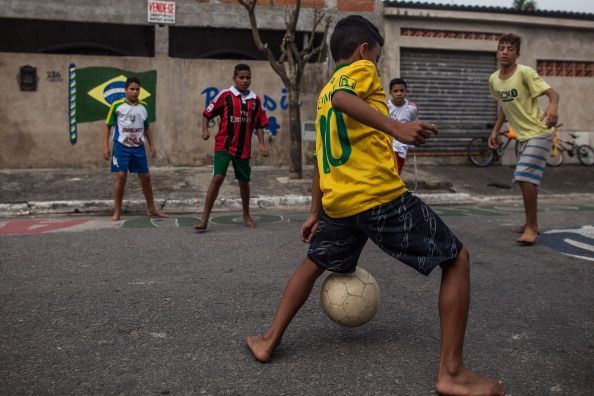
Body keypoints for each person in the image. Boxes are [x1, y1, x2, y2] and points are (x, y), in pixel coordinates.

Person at [245, 15, 504, 396]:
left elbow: (320, 155)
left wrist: (315, 210)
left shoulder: (322, 93)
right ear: (364, 50)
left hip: (341, 203)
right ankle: (451, 372)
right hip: (377, 196)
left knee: (313, 263)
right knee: (456, 259)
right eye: (378, 56)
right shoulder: (356, 72)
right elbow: (343, 98)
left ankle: (268, 340)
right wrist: (396, 127)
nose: (377, 66)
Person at [488, 33, 559, 245]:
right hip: (522, 137)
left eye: (510, 49)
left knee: (523, 177)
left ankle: (531, 227)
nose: (505, 52)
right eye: (502, 48)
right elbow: (504, 106)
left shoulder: (525, 72)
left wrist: (553, 107)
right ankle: (530, 222)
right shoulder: (493, 79)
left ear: (517, 54)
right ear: (498, 51)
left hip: (540, 132)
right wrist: (495, 130)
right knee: (527, 181)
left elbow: (553, 94)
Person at [194, 63, 268, 231]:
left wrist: (262, 143)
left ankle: (246, 214)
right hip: (224, 145)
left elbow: (259, 124)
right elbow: (207, 113)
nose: (245, 80)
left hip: (244, 148)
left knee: (244, 182)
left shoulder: (255, 100)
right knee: (218, 178)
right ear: (234, 79)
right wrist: (205, 130)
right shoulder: (225, 95)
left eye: (248, 77)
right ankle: (204, 218)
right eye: (241, 77)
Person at [102, 76, 167, 221]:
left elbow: (147, 128)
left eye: (137, 89)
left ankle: (152, 209)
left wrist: (151, 145)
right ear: (125, 90)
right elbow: (108, 126)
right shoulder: (117, 106)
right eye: (132, 89)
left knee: (146, 177)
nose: (135, 92)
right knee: (121, 176)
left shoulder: (143, 107)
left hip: (138, 147)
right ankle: (117, 211)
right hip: (121, 147)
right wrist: (105, 146)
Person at [388, 77, 417, 173]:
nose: (399, 93)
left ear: (406, 92)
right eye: (395, 91)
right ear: (390, 93)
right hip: (388, 146)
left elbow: (413, 123)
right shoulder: (386, 107)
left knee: (396, 173)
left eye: (402, 90)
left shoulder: (411, 108)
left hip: (401, 147)